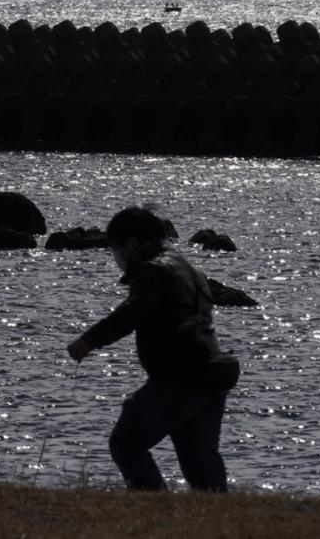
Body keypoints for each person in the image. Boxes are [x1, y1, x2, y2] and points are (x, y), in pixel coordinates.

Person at [66, 206, 234, 492]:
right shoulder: (190, 269)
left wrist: (90, 339)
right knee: (201, 463)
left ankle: (154, 507)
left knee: (126, 442)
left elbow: (134, 310)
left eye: (115, 249)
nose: (116, 258)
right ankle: (219, 522)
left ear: (130, 244)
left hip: (180, 378)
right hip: (212, 372)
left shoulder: (152, 270)